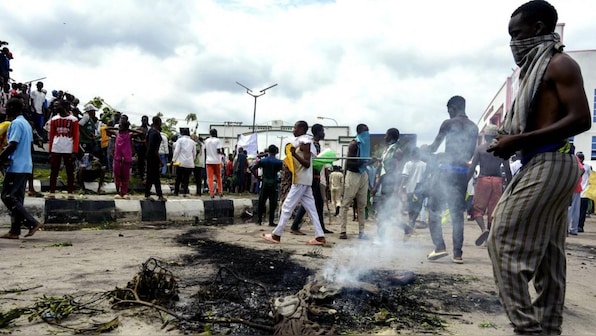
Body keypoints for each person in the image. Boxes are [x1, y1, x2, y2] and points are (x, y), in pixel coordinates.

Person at [486, 1, 591, 334]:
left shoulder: (560, 64)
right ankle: (548, 328)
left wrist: (520, 140)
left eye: (517, 34)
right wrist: (514, 140)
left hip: (552, 161)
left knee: (500, 239)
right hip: (541, 161)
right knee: (549, 255)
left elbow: (582, 119)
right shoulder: (535, 70)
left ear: (540, 28)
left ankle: (527, 329)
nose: (513, 43)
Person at [422, 95, 478, 264]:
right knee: (457, 215)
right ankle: (457, 254)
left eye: (449, 111)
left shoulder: (448, 123)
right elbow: (467, 155)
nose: (449, 113)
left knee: (433, 211)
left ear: (453, 108)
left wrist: (425, 150)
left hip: (445, 172)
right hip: (461, 174)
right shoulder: (474, 127)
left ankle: (439, 247)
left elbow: (433, 147)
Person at [261, 121, 326, 245]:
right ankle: (320, 236)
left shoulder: (305, 142)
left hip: (301, 179)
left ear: (301, 128)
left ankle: (276, 235)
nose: (293, 130)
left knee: (287, 207)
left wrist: (294, 154)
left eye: (295, 127)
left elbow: (307, 163)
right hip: (304, 180)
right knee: (312, 209)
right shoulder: (303, 141)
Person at [0, 98, 43, 239]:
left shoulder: (17, 123)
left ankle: (32, 223)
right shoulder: (26, 123)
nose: (5, 109)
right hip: (25, 165)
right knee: (17, 199)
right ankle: (15, 231)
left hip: (16, 166)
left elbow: (13, 144)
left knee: (7, 196)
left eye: (7, 107)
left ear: (12, 108)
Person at [466, 125, 508, 246]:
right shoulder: (501, 149)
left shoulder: (480, 149)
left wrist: (465, 183)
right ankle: (488, 238)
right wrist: (510, 184)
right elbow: (507, 169)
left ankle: (484, 229)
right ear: (496, 136)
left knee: (477, 208)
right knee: (493, 210)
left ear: (485, 136)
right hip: (497, 181)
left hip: (483, 179)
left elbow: (472, 167)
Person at [290, 124, 333, 235]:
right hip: (312, 177)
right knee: (307, 203)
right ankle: (295, 226)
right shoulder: (312, 144)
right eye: (322, 131)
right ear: (318, 132)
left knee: (319, 203)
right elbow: (311, 162)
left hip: (317, 177)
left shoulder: (316, 144)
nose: (323, 133)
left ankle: (321, 227)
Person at [371, 128, 407, 239]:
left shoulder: (397, 151)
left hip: (390, 184)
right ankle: (405, 229)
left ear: (391, 136)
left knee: (383, 211)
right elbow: (383, 168)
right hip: (385, 182)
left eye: (386, 135)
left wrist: (397, 188)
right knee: (385, 212)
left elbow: (395, 171)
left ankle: (381, 238)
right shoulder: (387, 149)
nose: (384, 137)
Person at [339, 124, 371, 240]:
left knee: (362, 204)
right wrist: (365, 162)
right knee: (346, 203)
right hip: (353, 175)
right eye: (365, 132)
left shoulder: (365, 145)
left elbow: (365, 161)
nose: (367, 135)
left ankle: (361, 232)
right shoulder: (354, 144)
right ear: (360, 132)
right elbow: (350, 163)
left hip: (363, 174)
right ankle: (343, 231)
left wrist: (368, 163)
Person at [47, 100, 79, 199]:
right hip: (56, 148)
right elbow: (51, 135)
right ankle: (52, 192)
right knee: (54, 170)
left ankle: (70, 192)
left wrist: (75, 151)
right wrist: (50, 151)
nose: (55, 107)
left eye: (58, 105)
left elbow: (76, 136)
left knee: (70, 171)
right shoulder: (54, 119)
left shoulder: (73, 120)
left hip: (68, 148)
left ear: (64, 106)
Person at [251, 144, 283, 226]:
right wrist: (280, 180)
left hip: (265, 182)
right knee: (273, 203)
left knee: (262, 201)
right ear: (276, 152)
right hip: (274, 183)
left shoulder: (263, 161)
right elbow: (284, 172)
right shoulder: (279, 162)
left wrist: (258, 177)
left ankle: (259, 220)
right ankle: (271, 221)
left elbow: (252, 168)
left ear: (268, 151)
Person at [401, 147, 427, 232]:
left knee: (410, 206)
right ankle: (412, 220)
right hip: (420, 189)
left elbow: (405, 176)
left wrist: (401, 187)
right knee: (418, 206)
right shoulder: (424, 165)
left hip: (410, 189)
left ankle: (411, 221)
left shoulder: (408, 164)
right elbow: (426, 177)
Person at [144, 116, 166, 202]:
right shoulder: (155, 133)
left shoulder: (150, 131)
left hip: (149, 155)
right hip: (153, 157)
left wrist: (148, 149)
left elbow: (146, 141)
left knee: (153, 176)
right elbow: (155, 149)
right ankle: (153, 194)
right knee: (153, 177)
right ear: (159, 123)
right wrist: (160, 161)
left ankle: (156, 194)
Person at [172, 128, 196, 197]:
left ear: (182, 133)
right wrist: (192, 160)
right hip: (189, 163)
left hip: (180, 163)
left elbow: (176, 151)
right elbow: (194, 153)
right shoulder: (192, 142)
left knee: (178, 178)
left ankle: (176, 192)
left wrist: (173, 160)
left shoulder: (180, 140)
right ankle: (185, 192)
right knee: (186, 179)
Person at [113, 120, 133, 199]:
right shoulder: (117, 134)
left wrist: (129, 130)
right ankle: (118, 192)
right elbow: (106, 129)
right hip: (117, 158)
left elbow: (140, 132)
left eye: (121, 126)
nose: (119, 127)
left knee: (125, 177)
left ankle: (124, 193)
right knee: (117, 176)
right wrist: (118, 128)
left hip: (126, 158)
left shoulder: (129, 135)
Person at [567, 153, 584, 236]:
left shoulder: (573, 159)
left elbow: (582, 170)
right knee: (575, 210)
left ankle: (567, 229)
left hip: (571, 187)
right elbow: (582, 170)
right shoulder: (575, 159)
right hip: (576, 187)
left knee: (569, 209)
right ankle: (574, 229)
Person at [204, 129, 224, 198]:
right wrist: (222, 153)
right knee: (218, 177)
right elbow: (218, 150)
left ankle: (211, 193)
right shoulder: (217, 140)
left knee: (210, 178)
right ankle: (220, 192)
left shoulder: (206, 141)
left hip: (209, 161)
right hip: (217, 161)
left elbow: (205, 150)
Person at [577, 152, 592, 233]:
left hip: (585, 192)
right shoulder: (575, 166)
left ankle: (580, 226)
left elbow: (591, 178)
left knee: (582, 211)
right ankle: (574, 226)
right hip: (576, 192)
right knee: (575, 211)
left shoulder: (587, 167)